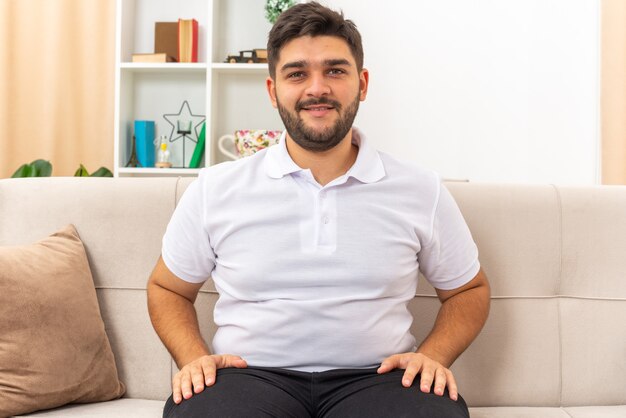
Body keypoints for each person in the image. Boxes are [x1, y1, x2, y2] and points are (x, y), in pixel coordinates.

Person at [148, 2, 490, 417]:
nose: (317, 88)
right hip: (247, 379)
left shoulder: (421, 189)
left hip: (380, 380)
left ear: (362, 83)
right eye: (297, 73)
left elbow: (468, 291)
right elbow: (167, 289)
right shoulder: (216, 188)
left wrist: (433, 356)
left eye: (335, 70)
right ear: (273, 90)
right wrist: (193, 358)